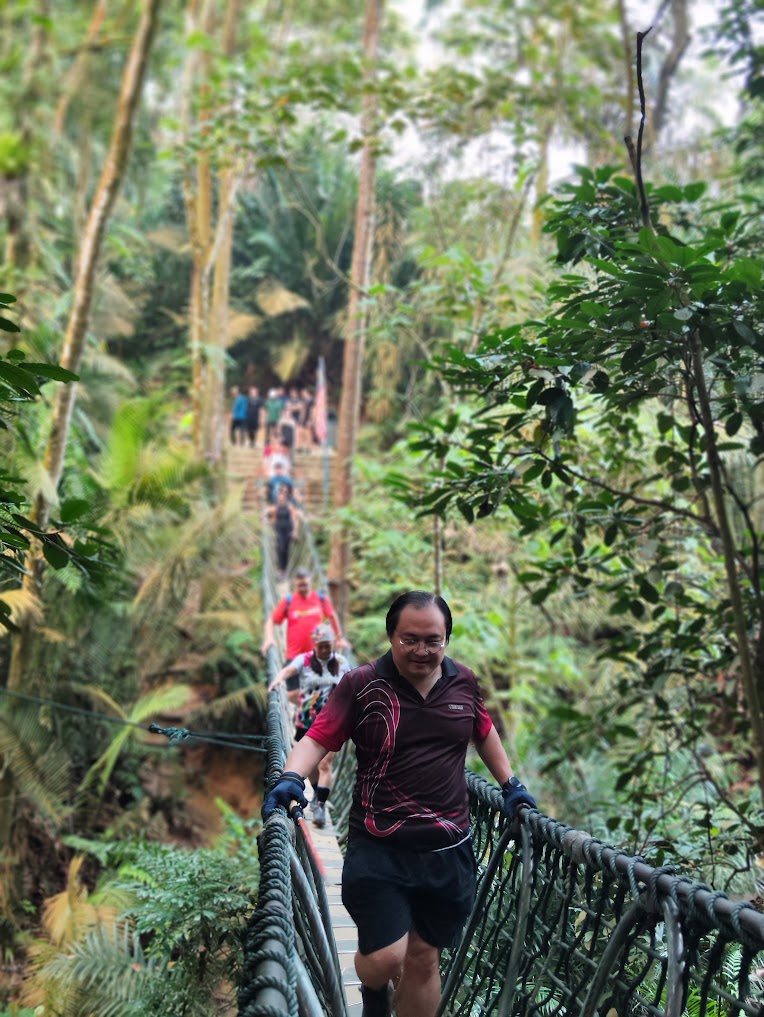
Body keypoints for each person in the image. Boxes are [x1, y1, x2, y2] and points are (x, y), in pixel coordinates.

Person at [262, 590, 536, 1017]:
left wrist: (511, 784)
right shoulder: (362, 685)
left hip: (448, 850)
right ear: (391, 636)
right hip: (379, 846)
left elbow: (482, 731)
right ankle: (373, 995)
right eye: (410, 639)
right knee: (387, 957)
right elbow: (318, 736)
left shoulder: (463, 681)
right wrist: (291, 778)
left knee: (425, 956)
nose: (422, 650)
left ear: (446, 639)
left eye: (433, 640)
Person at [268, 623, 350, 827]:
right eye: (321, 646)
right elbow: (288, 670)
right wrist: (277, 680)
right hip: (307, 719)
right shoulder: (304, 660)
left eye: (328, 646)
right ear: (315, 644)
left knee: (325, 763)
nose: (325, 650)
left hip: (333, 720)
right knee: (313, 764)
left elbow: (353, 683)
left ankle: (321, 803)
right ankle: (315, 792)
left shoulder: (341, 662)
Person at [261, 568, 347, 661]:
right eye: (300, 585)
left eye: (305, 585)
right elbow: (271, 621)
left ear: (310, 582)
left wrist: (339, 638)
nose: (303, 588)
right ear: (295, 584)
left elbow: (332, 616)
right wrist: (269, 638)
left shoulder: (320, 598)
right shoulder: (289, 601)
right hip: (294, 658)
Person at [266, 483, 302, 579]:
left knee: (286, 550)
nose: (281, 498)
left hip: (288, 530)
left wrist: (295, 531)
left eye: (282, 496)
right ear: (277, 497)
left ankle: (284, 571)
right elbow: (273, 519)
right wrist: (267, 522)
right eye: (279, 496)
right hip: (279, 530)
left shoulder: (289, 506)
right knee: (280, 549)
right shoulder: (275, 508)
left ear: (285, 497)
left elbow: (294, 519)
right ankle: (281, 571)